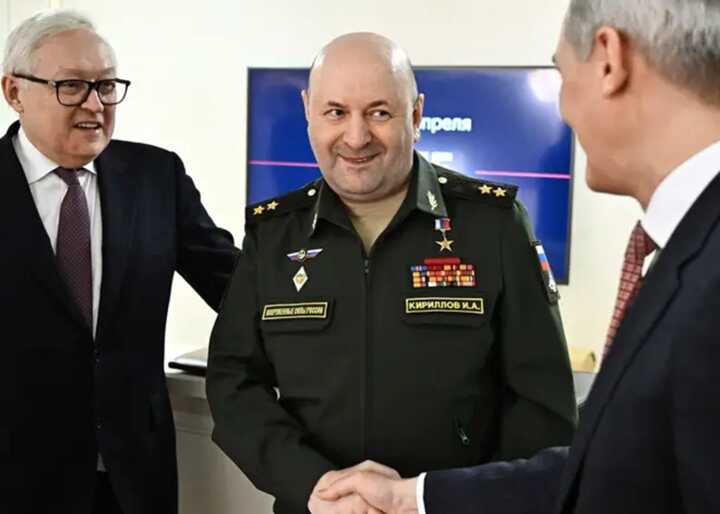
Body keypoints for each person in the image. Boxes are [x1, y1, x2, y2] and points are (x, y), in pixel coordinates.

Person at [315, 1, 720, 513]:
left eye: (561, 73)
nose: (563, 109)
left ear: (609, 59)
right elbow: (615, 461)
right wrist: (411, 498)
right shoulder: (688, 247)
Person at [206, 32, 576, 514]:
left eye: (379, 112)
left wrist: (464, 502)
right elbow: (234, 383)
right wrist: (312, 485)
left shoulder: (493, 224)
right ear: (308, 112)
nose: (356, 137)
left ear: (417, 114)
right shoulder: (273, 235)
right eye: (336, 112)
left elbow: (542, 404)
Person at [0, 10, 238, 514]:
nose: (94, 104)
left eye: (106, 86)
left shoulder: (156, 176)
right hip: (16, 477)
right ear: (14, 92)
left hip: (133, 476)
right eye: (72, 86)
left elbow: (235, 286)